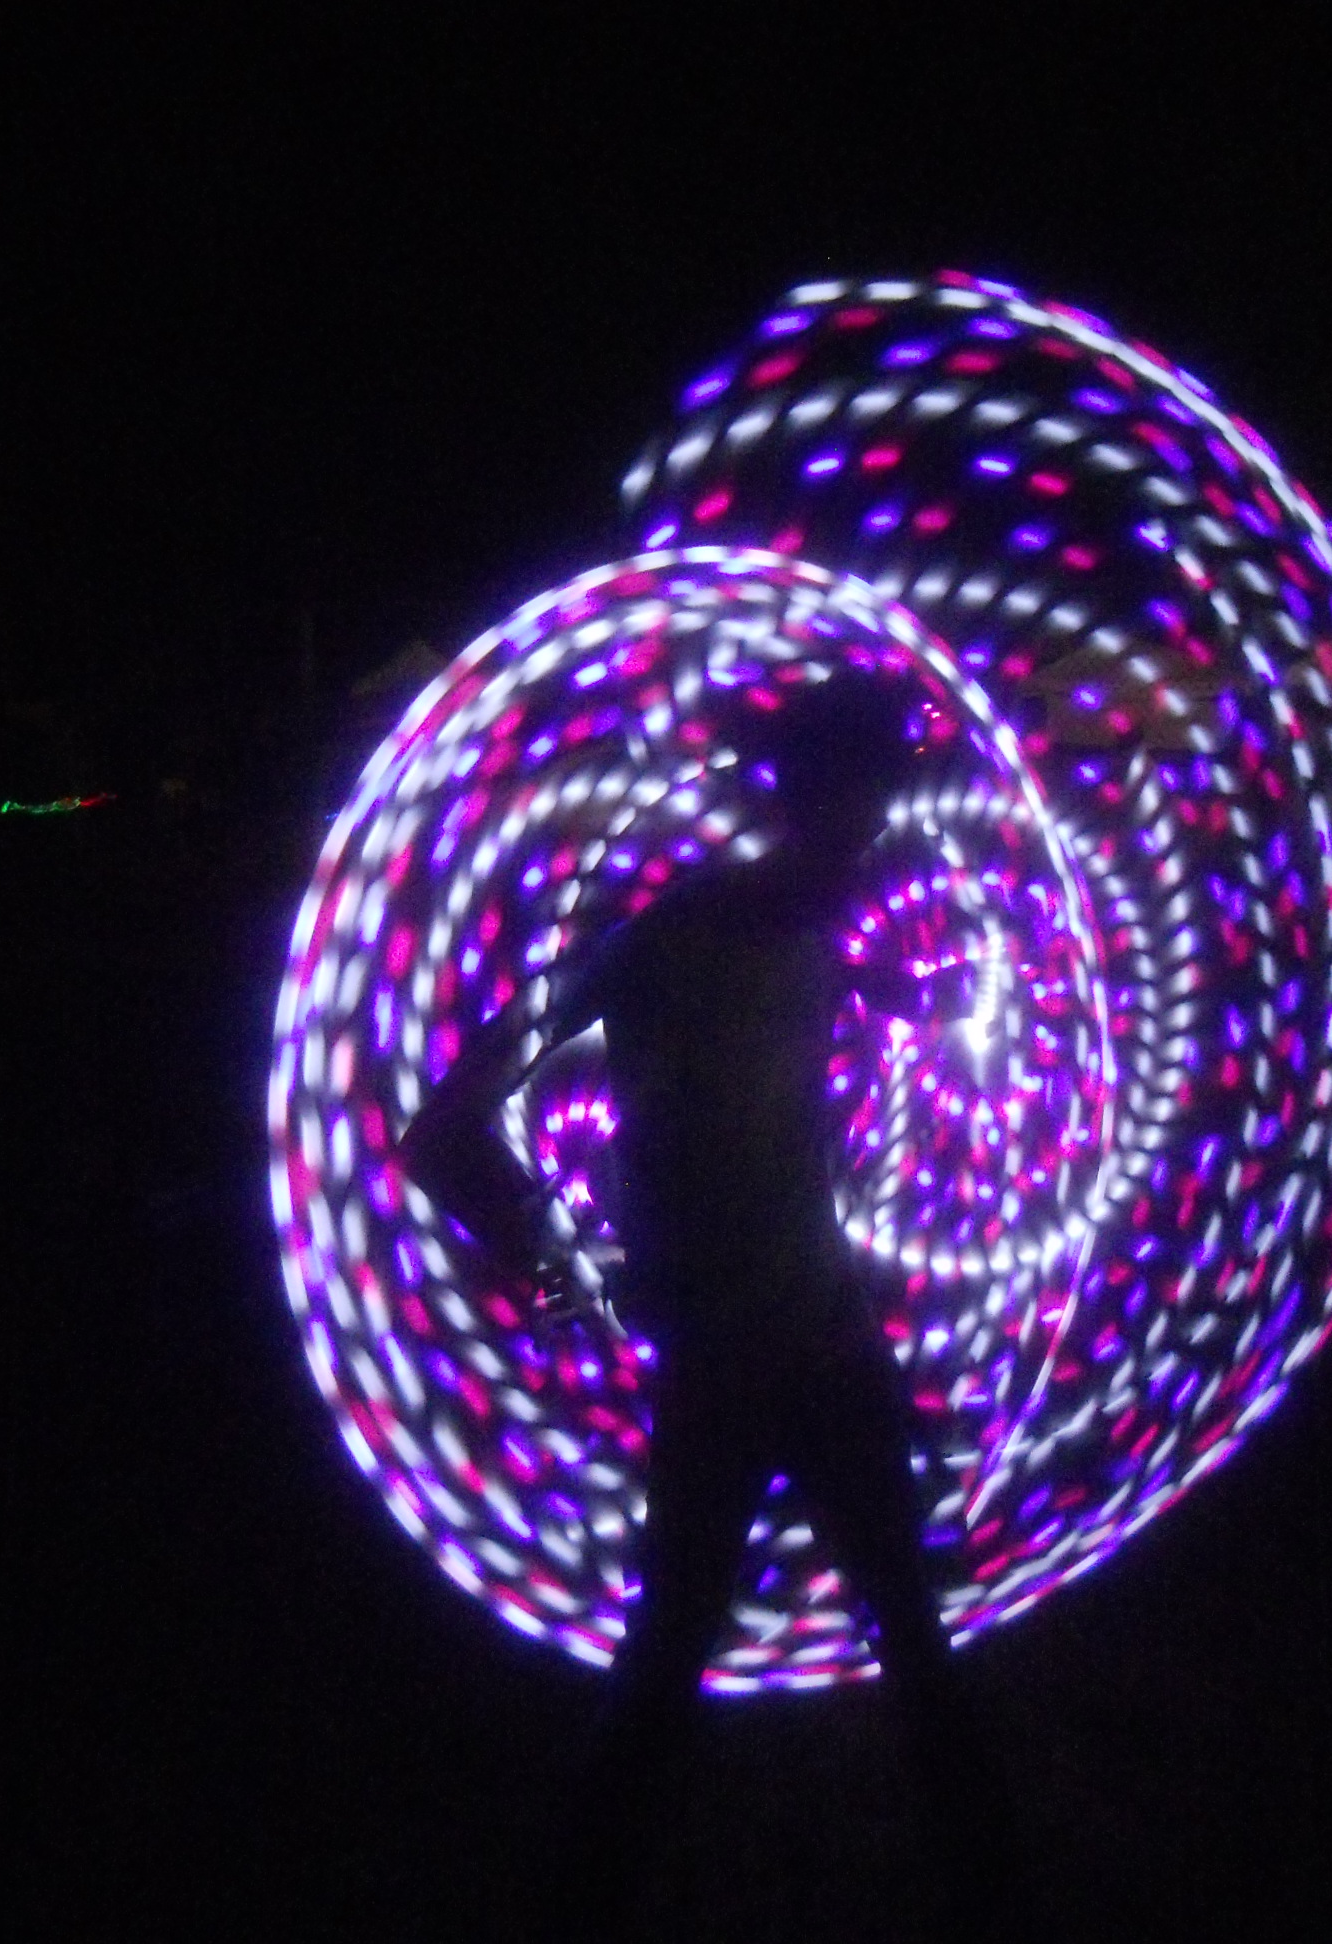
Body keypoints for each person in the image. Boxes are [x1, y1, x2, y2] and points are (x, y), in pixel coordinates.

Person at [400, 670, 1002, 1922]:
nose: (874, 837)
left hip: (818, 1339)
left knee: (883, 1627)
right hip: (734, 1358)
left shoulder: (800, 929)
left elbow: (823, 993)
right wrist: (543, 1250)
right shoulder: (664, 942)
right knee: (696, 1652)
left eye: (882, 805)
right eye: (861, 803)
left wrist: (910, 1002)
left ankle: (983, 1887)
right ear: (806, 797)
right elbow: (445, 1127)